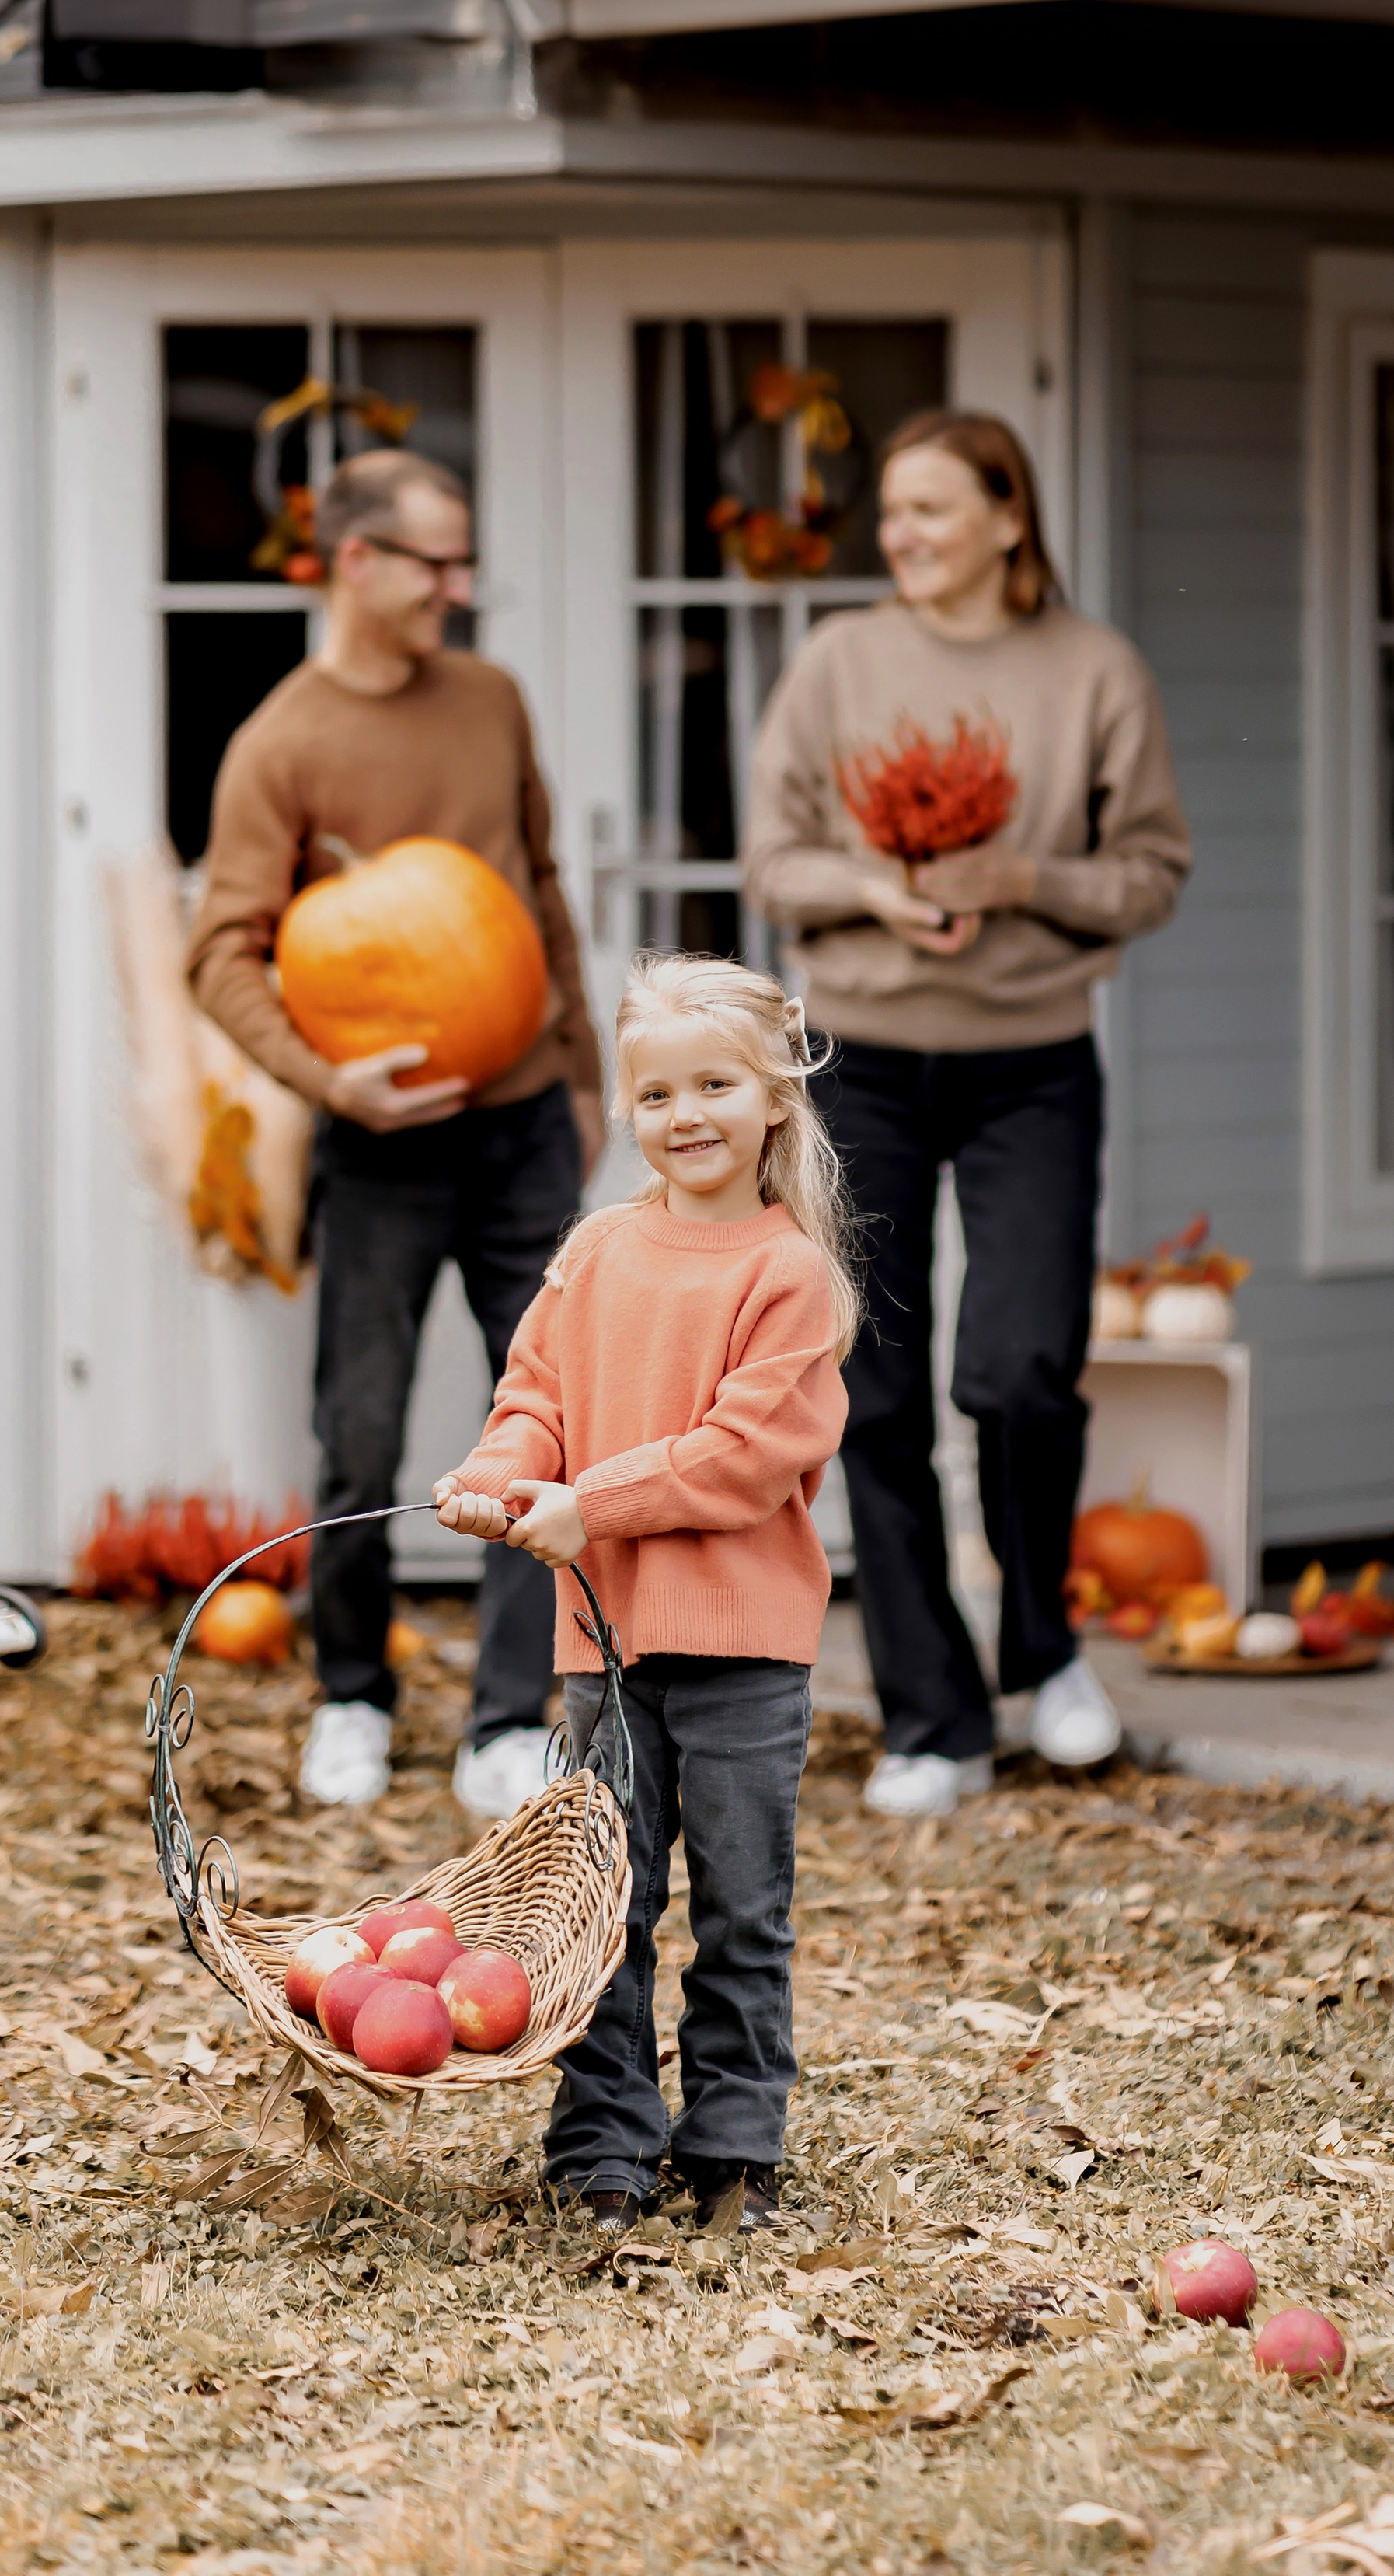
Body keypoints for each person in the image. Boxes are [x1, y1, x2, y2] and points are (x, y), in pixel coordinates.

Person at [743, 409, 1193, 1819]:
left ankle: (1044, 1653)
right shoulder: (840, 661)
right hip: (862, 1055)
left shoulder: (1093, 670)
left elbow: (1153, 868)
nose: (906, 535)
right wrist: (874, 891)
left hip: (1031, 1061)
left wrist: (1024, 881)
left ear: (1011, 516)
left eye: (936, 508)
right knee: (871, 1382)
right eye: (894, 511)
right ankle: (932, 1716)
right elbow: (774, 854)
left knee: (1019, 1366)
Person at [189, 447, 605, 1818]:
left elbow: (539, 886)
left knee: (535, 1428)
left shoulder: (490, 700)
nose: (456, 586)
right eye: (433, 561)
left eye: (461, 560)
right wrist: (329, 1080)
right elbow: (224, 952)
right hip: (379, 1143)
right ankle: (353, 1696)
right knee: (359, 1432)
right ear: (354, 561)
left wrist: (586, 1067)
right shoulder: (282, 742)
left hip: (524, 1126)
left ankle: (505, 1715)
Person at [434, 954, 852, 2236]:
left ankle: (734, 2146)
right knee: (604, 1905)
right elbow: (536, 1398)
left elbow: (739, 1457)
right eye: (657, 1089)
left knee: (741, 1908)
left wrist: (587, 1506)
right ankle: (604, 2143)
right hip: (603, 1648)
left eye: (717, 1083)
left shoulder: (789, 1276)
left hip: (746, 1655)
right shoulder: (599, 1249)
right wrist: (501, 1477)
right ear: (626, 1105)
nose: (688, 1113)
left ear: (776, 1094)